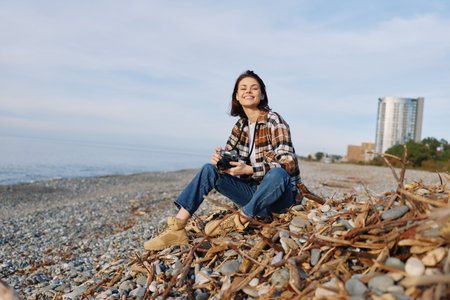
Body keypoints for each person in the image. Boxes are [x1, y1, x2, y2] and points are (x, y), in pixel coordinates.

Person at [144, 70, 302, 251]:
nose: (248, 91)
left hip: (279, 201)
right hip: (254, 198)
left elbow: (289, 164)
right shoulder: (240, 126)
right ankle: (176, 229)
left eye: (253, 88)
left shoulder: (274, 120)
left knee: (277, 173)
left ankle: (241, 219)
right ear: (237, 95)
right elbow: (230, 160)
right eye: (243, 88)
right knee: (208, 169)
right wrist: (221, 161)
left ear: (262, 95)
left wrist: (249, 170)